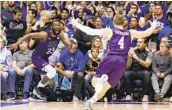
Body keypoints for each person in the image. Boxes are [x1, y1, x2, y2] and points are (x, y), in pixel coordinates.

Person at [69, 14, 158, 110]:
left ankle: (100, 82)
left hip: (111, 58)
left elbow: (91, 31)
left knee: (95, 82)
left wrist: (77, 24)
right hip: (122, 63)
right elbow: (146, 33)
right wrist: (153, 26)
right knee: (105, 88)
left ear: (113, 22)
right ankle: (90, 102)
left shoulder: (110, 31)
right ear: (123, 22)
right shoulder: (130, 32)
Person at [8, 18, 71, 100]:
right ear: (52, 27)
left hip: (45, 58)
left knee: (49, 78)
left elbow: (69, 46)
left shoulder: (60, 36)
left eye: (58, 25)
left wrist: (66, 35)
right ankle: (37, 90)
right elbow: (29, 35)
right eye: (55, 25)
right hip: (37, 57)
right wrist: (17, 43)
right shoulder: (44, 34)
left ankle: (35, 95)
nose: (57, 27)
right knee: (52, 71)